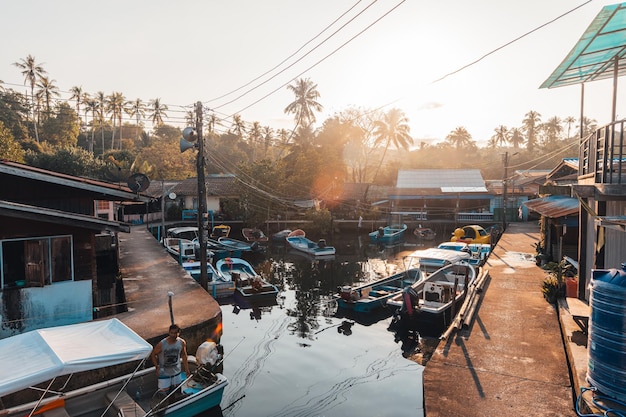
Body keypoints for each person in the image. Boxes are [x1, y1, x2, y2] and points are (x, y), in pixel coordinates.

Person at [151, 324, 190, 392]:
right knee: (164, 391)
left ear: (179, 333)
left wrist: (187, 369)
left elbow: (184, 355)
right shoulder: (162, 344)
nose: (173, 335)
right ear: (169, 332)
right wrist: (156, 367)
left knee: (177, 389)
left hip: (176, 371)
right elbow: (153, 354)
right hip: (164, 372)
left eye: (175, 333)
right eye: (171, 333)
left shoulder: (181, 342)